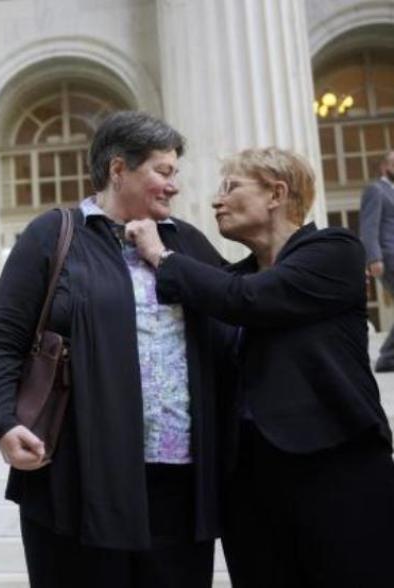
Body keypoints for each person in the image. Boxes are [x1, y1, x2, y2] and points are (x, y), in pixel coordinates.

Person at [0, 111, 229, 588]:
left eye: (174, 173)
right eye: (163, 171)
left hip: (178, 486)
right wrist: (4, 421)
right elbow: (2, 341)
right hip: (75, 480)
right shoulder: (53, 234)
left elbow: (238, 315)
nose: (173, 186)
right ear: (118, 170)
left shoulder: (186, 243)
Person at [126, 147, 394, 588]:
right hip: (248, 484)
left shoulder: (335, 251)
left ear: (276, 193)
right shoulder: (234, 276)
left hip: (337, 470)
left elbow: (248, 300)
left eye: (230, 187)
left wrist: (162, 256)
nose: (216, 200)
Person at [359, 150, 394, 372]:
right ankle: (387, 357)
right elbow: (368, 225)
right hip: (389, 256)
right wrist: (373, 257)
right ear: (385, 167)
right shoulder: (376, 190)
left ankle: (389, 357)